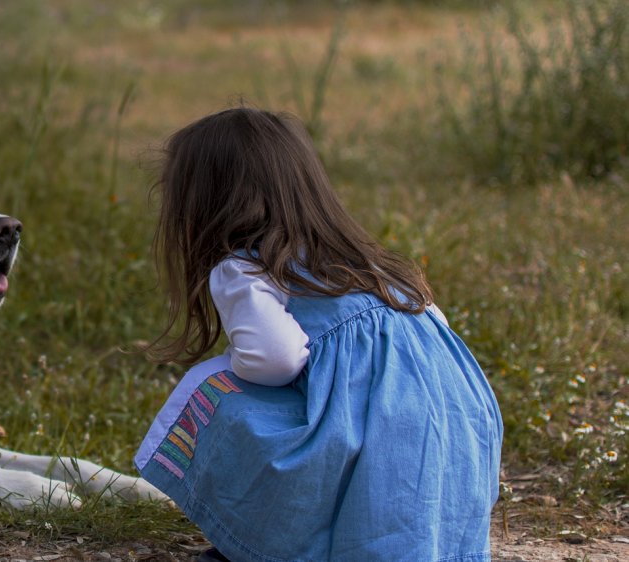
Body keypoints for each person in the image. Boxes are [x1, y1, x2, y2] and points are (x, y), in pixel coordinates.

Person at [135, 107, 503, 561]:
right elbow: (437, 335)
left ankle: (268, 543)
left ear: (204, 204)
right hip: (457, 435)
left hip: (372, 444)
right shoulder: (372, 265)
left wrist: (231, 363)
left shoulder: (245, 270)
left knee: (214, 391)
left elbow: (276, 359)